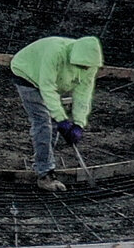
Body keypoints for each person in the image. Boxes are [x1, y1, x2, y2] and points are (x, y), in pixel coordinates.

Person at [8, 33, 103, 178]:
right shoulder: (56, 52)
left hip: (53, 82)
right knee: (43, 122)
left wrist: (79, 123)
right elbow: (47, 87)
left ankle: (43, 157)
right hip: (26, 73)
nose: (84, 68)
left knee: (53, 125)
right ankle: (44, 173)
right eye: (81, 65)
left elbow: (83, 95)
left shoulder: (90, 65)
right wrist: (61, 119)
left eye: (86, 67)